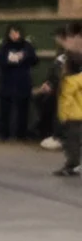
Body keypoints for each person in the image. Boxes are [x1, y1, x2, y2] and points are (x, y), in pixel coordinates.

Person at [0, 24, 38, 141]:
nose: (14, 35)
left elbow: (34, 60)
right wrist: (9, 60)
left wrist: (25, 56)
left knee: (23, 110)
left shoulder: (27, 45)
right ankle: (4, 134)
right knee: (5, 110)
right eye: (12, 33)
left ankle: (21, 134)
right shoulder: (3, 46)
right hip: (7, 81)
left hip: (23, 81)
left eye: (16, 32)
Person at [36, 27, 68, 150]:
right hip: (58, 87)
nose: (56, 40)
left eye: (58, 37)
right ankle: (52, 133)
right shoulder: (60, 53)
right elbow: (53, 71)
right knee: (42, 100)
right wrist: (48, 83)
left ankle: (60, 137)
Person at [53, 43, 82, 176]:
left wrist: (63, 117)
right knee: (77, 141)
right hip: (80, 115)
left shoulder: (69, 81)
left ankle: (73, 165)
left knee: (71, 143)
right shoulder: (80, 78)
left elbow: (66, 100)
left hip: (72, 117)